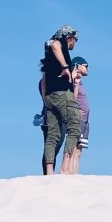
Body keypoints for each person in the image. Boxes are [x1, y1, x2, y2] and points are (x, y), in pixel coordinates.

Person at [41, 25, 83, 176]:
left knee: (53, 135)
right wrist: (65, 66)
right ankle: (65, 168)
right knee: (74, 127)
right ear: (69, 37)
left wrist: (45, 98)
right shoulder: (60, 42)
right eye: (75, 40)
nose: (74, 44)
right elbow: (55, 44)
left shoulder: (47, 58)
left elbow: (43, 81)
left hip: (51, 97)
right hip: (62, 94)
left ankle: (49, 172)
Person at [63, 56, 90, 174]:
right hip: (78, 119)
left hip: (85, 120)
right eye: (86, 65)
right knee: (74, 149)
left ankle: (76, 174)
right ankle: (70, 173)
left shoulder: (80, 81)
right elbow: (72, 97)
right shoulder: (74, 81)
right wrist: (76, 108)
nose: (88, 68)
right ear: (78, 66)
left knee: (79, 150)